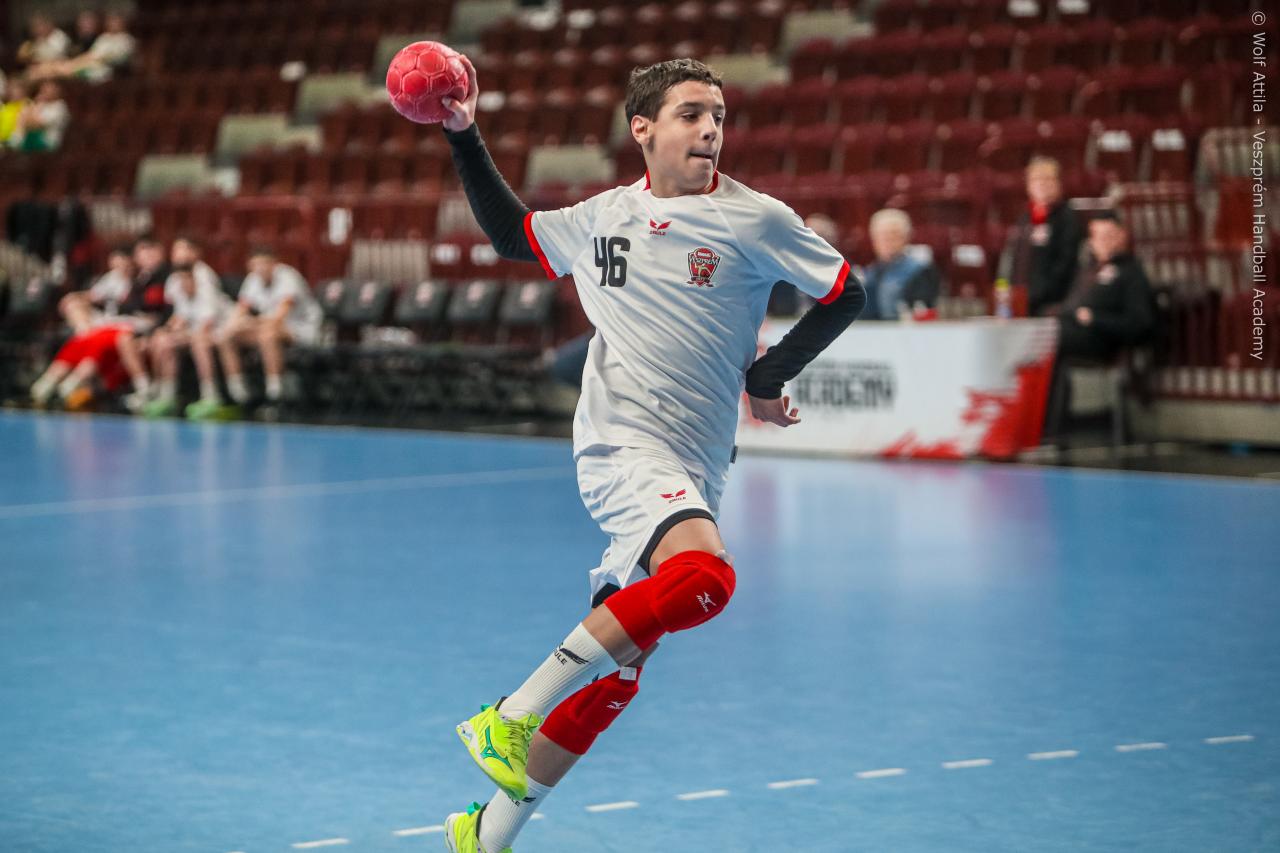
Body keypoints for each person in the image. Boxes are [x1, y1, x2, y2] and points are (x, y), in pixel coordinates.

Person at [435, 57, 866, 853]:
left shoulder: (755, 218)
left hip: (698, 464)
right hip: (624, 443)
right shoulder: (605, 214)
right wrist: (463, 132)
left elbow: (845, 291)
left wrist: (766, 378)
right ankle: (510, 712)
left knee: (616, 677)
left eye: (719, 116)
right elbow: (511, 233)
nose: (710, 129)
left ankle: (485, 832)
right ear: (644, 128)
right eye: (692, 113)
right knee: (706, 577)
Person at [1043, 210, 1155, 443]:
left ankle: (1051, 432)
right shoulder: (1087, 269)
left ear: (1122, 236)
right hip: (1070, 331)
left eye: (1108, 236)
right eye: (1097, 236)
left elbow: (1141, 324)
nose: (1102, 242)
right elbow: (1071, 304)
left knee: (1051, 339)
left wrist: (1096, 319)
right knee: (1039, 336)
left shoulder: (1131, 273)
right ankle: (1035, 424)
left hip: (1102, 340)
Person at [213, 245, 321, 412]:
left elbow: (278, 318)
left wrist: (250, 323)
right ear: (250, 265)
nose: (260, 268)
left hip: (301, 328)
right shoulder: (252, 279)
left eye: (264, 264)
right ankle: (238, 393)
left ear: (274, 264)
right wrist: (231, 327)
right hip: (267, 326)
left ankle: (275, 395)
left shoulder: (288, 277)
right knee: (227, 337)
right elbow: (240, 310)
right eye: (256, 264)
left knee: (267, 336)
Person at [144, 254, 232, 418]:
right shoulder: (181, 295)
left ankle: (211, 396)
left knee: (199, 343)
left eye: (186, 279)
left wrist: (179, 336)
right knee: (164, 342)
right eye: (180, 280)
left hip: (223, 333)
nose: (183, 283)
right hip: (196, 334)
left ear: (193, 279)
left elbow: (205, 328)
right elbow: (179, 320)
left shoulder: (207, 294)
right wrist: (165, 332)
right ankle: (166, 395)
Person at [998, 156, 1085, 317]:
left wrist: (1036, 295)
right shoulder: (1025, 218)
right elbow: (1011, 259)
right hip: (1020, 303)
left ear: (1059, 183)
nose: (1042, 184)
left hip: (1051, 305)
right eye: (1036, 180)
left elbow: (1065, 264)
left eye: (1048, 179)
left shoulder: (1067, 218)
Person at [858, 208, 941, 320]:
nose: (887, 240)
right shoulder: (869, 273)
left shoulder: (921, 271)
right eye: (882, 235)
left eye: (894, 235)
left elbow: (922, 312)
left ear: (906, 237)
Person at [27, 12, 136, 84]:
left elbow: (119, 59)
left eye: (115, 21)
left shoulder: (127, 39)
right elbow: (91, 54)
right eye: (111, 21)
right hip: (88, 63)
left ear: (123, 23)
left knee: (59, 69)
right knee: (53, 67)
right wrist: (76, 62)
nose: (112, 24)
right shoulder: (104, 37)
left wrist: (77, 63)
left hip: (103, 70)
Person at [58, 245, 136, 333]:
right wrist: (72, 297)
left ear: (129, 260)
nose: (118, 265)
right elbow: (93, 295)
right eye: (115, 262)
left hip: (124, 318)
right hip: (107, 315)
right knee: (74, 305)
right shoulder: (113, 277)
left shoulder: (137, 279)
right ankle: (84, 335)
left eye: (121, 262)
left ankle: (86, 336)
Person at [8, 80, 70, 152]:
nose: (45, 91)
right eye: (43, 89)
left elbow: (36, 124)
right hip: (34, 142)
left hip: (49, 144)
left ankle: (14, 145)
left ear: (57, 90)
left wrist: (29, 114)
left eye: (49, 88)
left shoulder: (60, 106)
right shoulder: (41, 105)